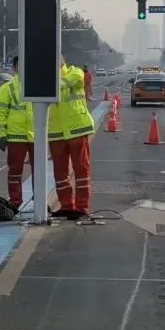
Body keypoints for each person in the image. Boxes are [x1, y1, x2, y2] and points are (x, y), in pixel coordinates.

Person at [47, 55, 95, 219]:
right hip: (56, 131)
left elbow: (66, 82)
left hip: (77, 128)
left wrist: (47, 84)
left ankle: (82, 207)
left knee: (81, 168)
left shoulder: (75, 72)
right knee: (60, 172)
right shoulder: (46, 77)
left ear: (64, 60)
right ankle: (66, 205)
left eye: (57, 58)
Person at [0, 56, 34, 210]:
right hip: (16, 136)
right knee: (15, 172)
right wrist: (2, 135)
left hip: (37, 136)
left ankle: (40, 202)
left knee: (39, 171)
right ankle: (15, 201)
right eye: (20, 66)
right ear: (15, 68)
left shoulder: (39, 85)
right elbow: (1, 113)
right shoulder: (7, 88)